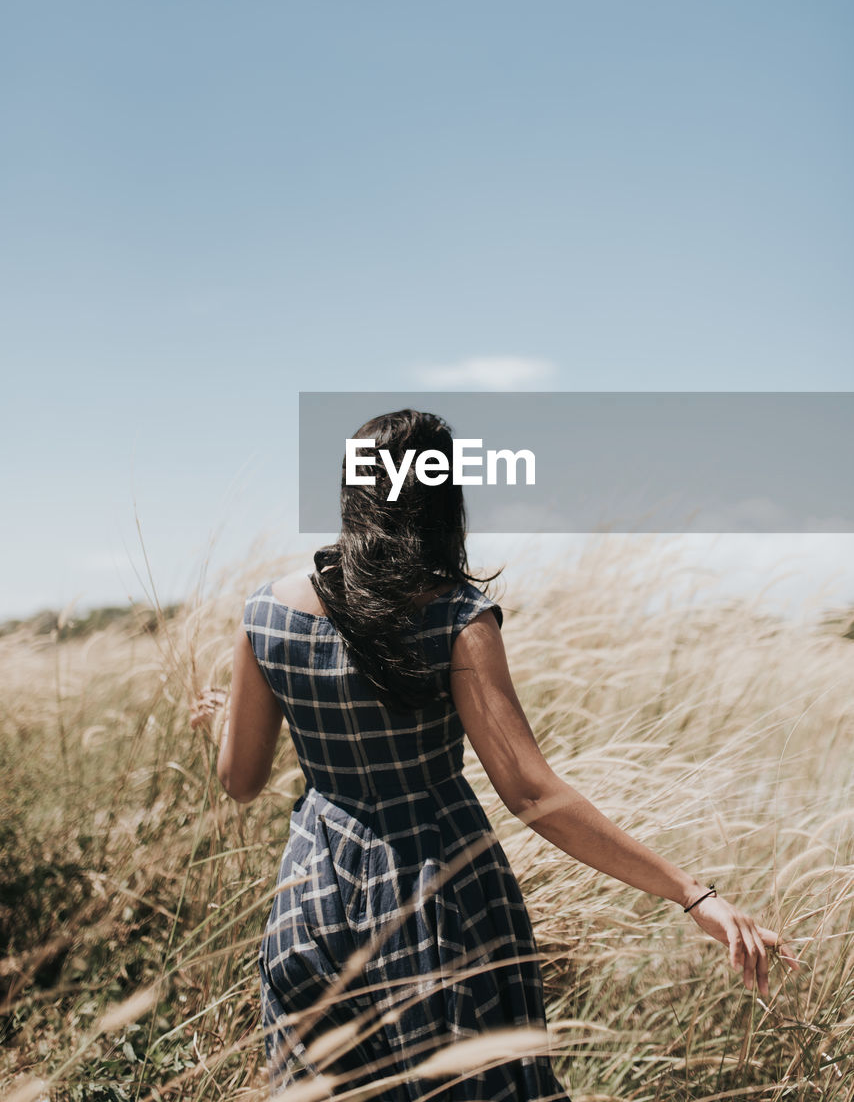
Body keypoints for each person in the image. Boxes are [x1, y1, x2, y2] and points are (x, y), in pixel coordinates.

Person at [192, 408, 799, 1100]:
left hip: (313, 898)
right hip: (441, 899)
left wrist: (221, 722)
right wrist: (691, 893)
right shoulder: (456, 616)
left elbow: (240, 781)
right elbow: (532, 794)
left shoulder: (263, 615)